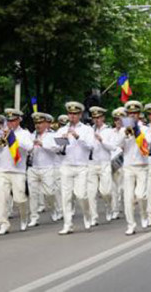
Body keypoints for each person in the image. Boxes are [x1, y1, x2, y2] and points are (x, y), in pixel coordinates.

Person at [55, 101, 95, 235]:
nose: (72, 116)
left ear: (80, 115)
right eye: (70, 113)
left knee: (81, 195)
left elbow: (90, 146)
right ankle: (68, 224)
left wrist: (77, 136)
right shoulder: (61, 130)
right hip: (66, 166)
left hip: (81, 167)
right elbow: (56, 149)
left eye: (75, 114)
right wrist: (62, 140)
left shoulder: (87, 130)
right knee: (66, 197)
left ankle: (87, 215)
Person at [0, 108, 34, 235]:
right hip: (3, 170)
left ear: (19, 120)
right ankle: (3, 224)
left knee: (20, 199)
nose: (11, 123)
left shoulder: (24, 133)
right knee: (2, 199)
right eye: (9, 121)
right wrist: (2, 138)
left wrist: (14, 138)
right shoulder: (2, 132)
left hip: (18, 171)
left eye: (14, 121)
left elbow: (30, 147)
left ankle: (24, 217)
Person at [120, 100, 151, 235]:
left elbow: (147, 144)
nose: (133, 116)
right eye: (130, 114)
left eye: (135, 113)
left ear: (139, 115)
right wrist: (125, 135)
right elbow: (117, 144)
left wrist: (137, 130)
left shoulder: (145, 129)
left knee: (141, 195)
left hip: (142, 166)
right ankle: (131, 224)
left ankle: (144, 214)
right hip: (128, 166)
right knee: (128, 198)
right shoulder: (123, 129)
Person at [27, 112, 60, 227]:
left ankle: (55, 208)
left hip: (48, 167)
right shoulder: (32, 135)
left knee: (49, 192)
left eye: (40, 123)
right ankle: (34, 217)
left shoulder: (53, 135)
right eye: (36, 123)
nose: (38, 125)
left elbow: (57, 149)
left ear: (47, 123)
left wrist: (42, 144)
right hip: (33, 167)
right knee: (33, 194)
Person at [87, 106, 115, 226]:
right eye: (94, 118)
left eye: (99, 117)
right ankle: (94, 217)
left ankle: (108, 206)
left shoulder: (109, 131)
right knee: (91, 193)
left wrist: (102, 140)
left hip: (104, 163)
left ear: (103, 118)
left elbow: (113, 147)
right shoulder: (89, 130)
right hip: (92, 163)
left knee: (106, 192)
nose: (96, 120)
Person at [110, 107, 126, 220]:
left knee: (122, 188)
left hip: (124, 162)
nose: (118, 122)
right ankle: (115, 209)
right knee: (113, 189)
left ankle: (126, 207)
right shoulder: (110, 132)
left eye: (120, 119)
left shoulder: (128, 131)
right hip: (112, 162)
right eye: (116, 119)